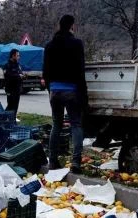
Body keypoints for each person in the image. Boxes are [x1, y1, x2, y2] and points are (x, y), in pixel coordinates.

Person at [43, 14, 86, 173]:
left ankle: (52, 161)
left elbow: (45, 71)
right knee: (76, 124)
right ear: (72, 26)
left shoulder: (50, 45)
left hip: (55, 90)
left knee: (57, 124)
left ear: (59, 25)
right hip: (71, 90)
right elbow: (80, 70)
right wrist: (83, 94)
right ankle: (75, 162)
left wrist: (50, 89)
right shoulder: (76, 44)